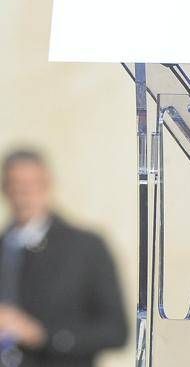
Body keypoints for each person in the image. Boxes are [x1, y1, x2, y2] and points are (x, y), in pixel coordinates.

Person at [0, 150, 127, 367]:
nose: (24, 194)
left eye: (32, 185)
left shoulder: (86, 247)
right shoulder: (5, 245)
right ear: (5, 189)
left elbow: (115, 331)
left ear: (47, 185)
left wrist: (43, 335)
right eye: (16, 185)